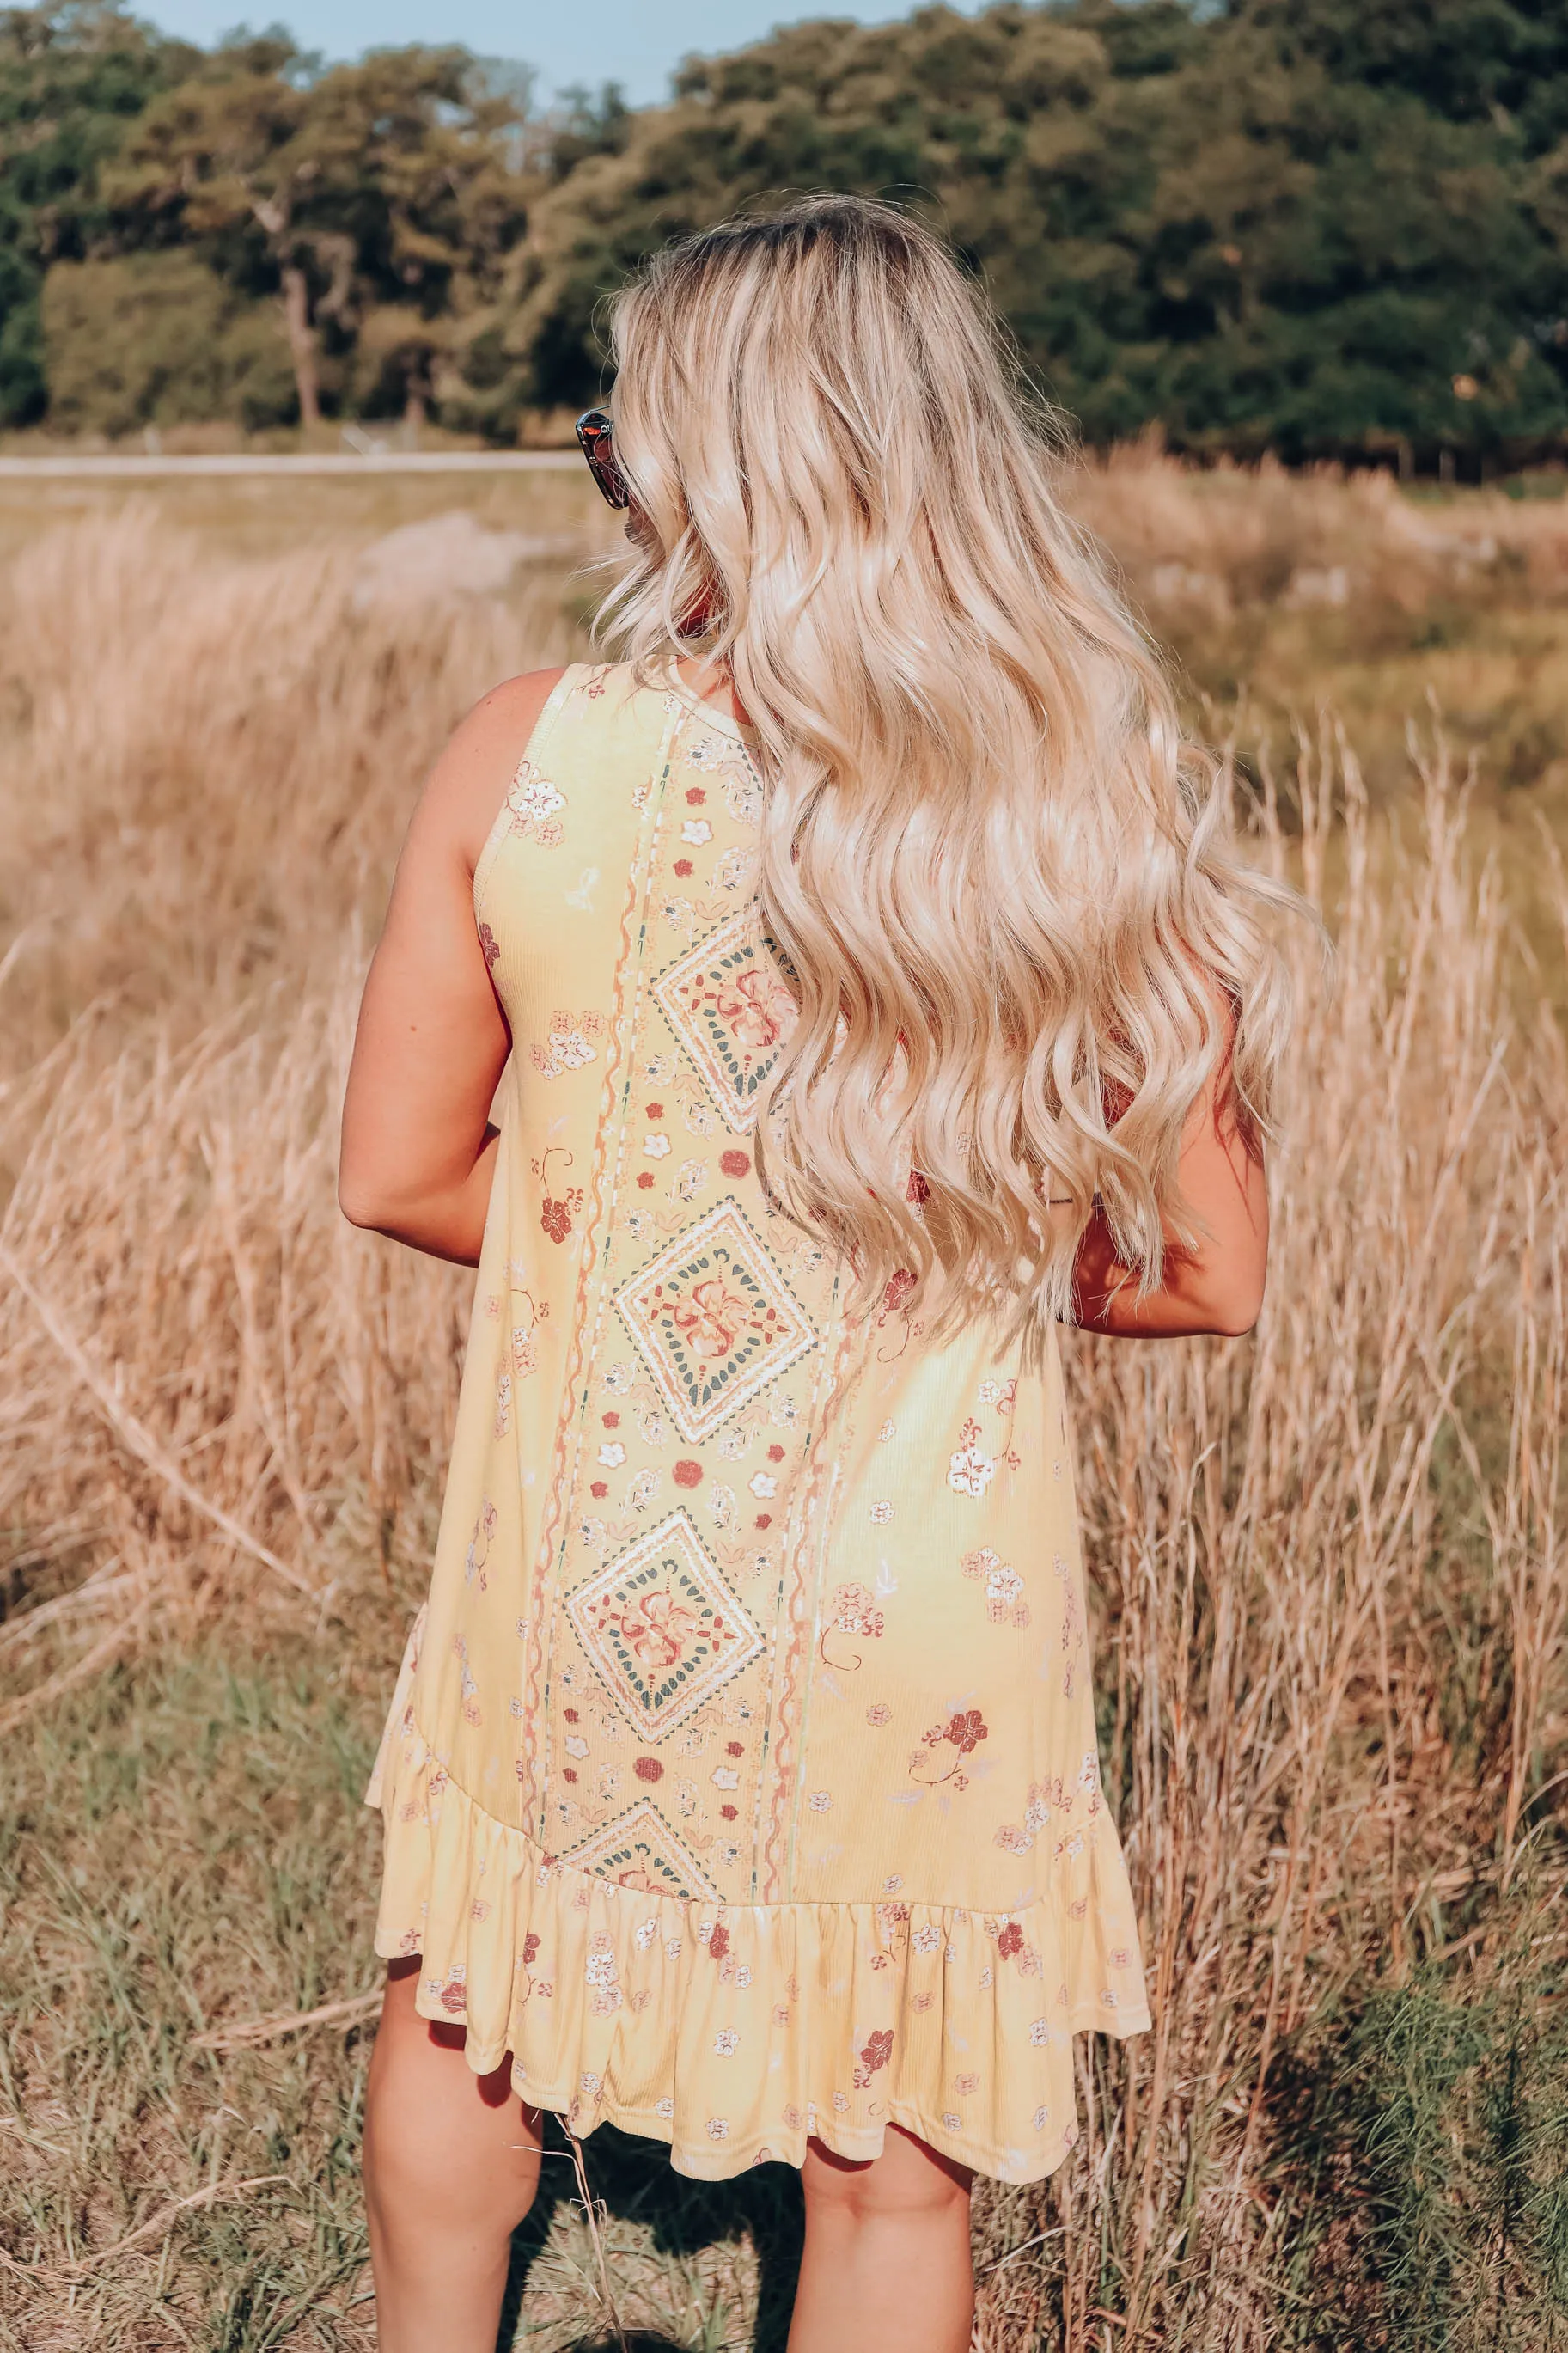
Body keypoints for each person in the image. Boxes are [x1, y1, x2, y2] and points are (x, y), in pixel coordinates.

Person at [339, 193, 1292, 2353]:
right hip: (926, 1595)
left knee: (473, 2005)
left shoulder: (526, 755)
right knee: (887, 2148)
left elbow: (398, 1171)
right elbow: (1212, 1274)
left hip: (590, 1548)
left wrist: (645, 1244)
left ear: (708, 461)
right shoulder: (1083, 786)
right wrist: (921, 1272)